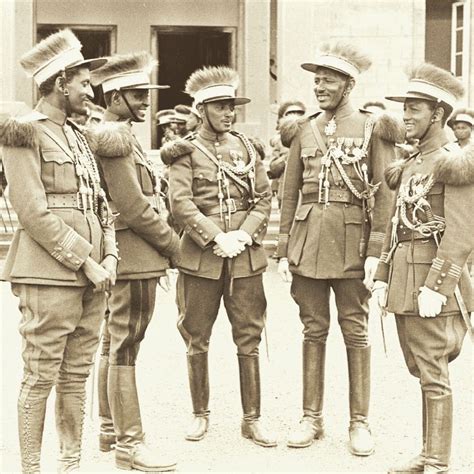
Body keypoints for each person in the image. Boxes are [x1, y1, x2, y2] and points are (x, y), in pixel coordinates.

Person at [276, 40, 403, 455]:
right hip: (308, 243)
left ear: (349, 85)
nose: (319, 87)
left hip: (354, 245)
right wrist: (283, 248)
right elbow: (290, 191)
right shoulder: (303, 129)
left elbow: (385, 194)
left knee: (355, 330)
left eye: (328, 81)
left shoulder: (373, 128)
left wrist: (375, 253)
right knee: (313, 329)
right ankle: (311, 418)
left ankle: (359, 422)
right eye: (316, 81)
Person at [0, 29, 117, 473]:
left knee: (76, 375)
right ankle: (32, 469)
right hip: (49, 273)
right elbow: (32, 211)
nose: (91, 91)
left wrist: (108, 258)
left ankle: (70, 466)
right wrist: (85, 260)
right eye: (84, 83)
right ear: (60, 82)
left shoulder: (81, 136)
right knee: (40, 374)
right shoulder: (22, 133)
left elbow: (101, 203)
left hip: (94, 275)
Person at [160, 66, 276, 448]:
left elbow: (262, 197)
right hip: (201, 259)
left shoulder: (246, 146)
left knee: (249, 336)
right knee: (197, 337)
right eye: (221, 107)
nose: (229, 113)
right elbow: (180, 204)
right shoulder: (185, 152)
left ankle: (252, 419)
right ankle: (200, 414)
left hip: (244, 256)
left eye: (232, 107)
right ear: (201, 109)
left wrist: (243, 233)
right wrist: (215, 237)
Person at [372, 62, 473, 474]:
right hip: (405, 276)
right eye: (404, 108)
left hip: (432, 281)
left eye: (414, 109)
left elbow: (463, 232)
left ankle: (437, 462)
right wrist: (381, 275)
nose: (405, 116)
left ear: (438, 114)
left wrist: (439, 286)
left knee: (433, 372)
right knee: (421, 368)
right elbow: (396, 224)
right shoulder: (414, 161)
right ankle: (429, 453)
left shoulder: (454, 161)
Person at [88, 51, 180, 472]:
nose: (147, 102)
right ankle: (130, 443)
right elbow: (135, 207)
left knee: (114, 342)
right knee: (126, 347)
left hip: (129, 255)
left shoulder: (119, 133)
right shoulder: (114, 138)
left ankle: (110, 428)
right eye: (139, 95)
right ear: (116, 96)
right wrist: (176, 249)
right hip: (135, 256)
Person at [268, 100, 306, 208]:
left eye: (300, 113)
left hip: (307, 192)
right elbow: (273, 167)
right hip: (286, 190)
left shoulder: (310, 138)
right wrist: (288, 157)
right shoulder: (279, 141)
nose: (295, 116)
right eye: (290, 113)